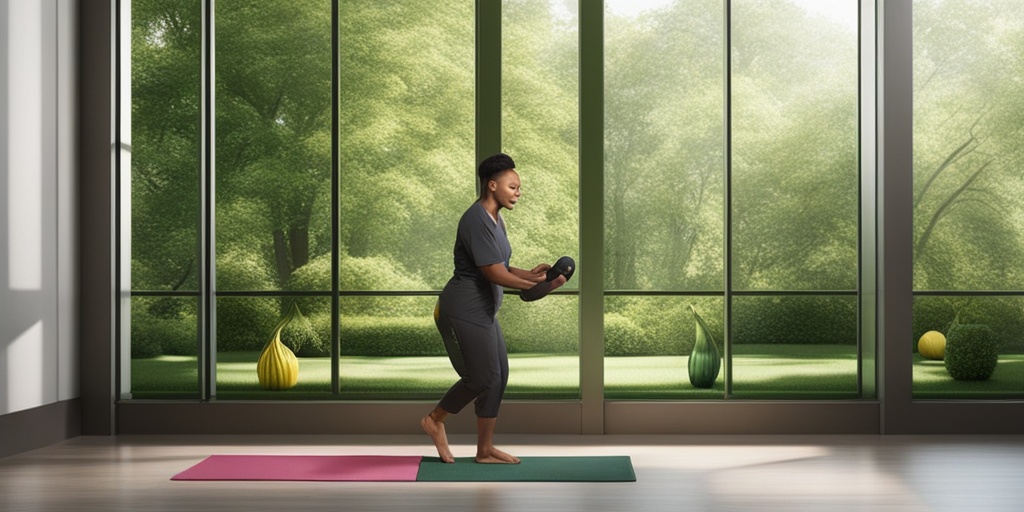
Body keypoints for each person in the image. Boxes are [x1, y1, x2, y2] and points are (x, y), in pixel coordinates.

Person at [421, 153, 567, 464]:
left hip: (484, 311)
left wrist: (532, 274)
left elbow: (500, 264)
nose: (518, 192)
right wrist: (539, 287)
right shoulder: (475, 219)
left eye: (519, 187)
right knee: (481, 377)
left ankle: (484, 450)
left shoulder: (496, 220)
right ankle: (434, 419)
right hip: (462, 308)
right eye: (513, 186)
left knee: (498, 377)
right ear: (492, 185)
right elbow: (493, 273)